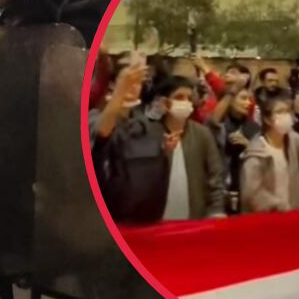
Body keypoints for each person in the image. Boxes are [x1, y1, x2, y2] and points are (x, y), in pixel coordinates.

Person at [94, 76, 226, 223]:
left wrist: (216, 210)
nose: (186, 102)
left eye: (189, 98)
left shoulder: (202, 134)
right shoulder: (148, 133)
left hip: (193, 219)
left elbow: (215, 176)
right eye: (179, 97)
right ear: (164, 102)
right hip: (155, 219)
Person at [239, 94, 299, 213]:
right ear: (267, 119)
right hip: (267, 218)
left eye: (288, 111)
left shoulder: (292, 139)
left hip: (293, 215)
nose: (286, 115)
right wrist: (276, 205)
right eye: (280, 111)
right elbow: (252, 193)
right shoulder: (256, 152)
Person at [211, 84, 259, 214]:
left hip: (245, 187)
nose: (248, 103)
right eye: (243, 98)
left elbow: (263, 155)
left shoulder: (253, 127)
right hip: (220, 187)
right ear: (230, 101)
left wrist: (248, 145)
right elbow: (213, 122)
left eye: (249, 99)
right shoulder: (220, 126)